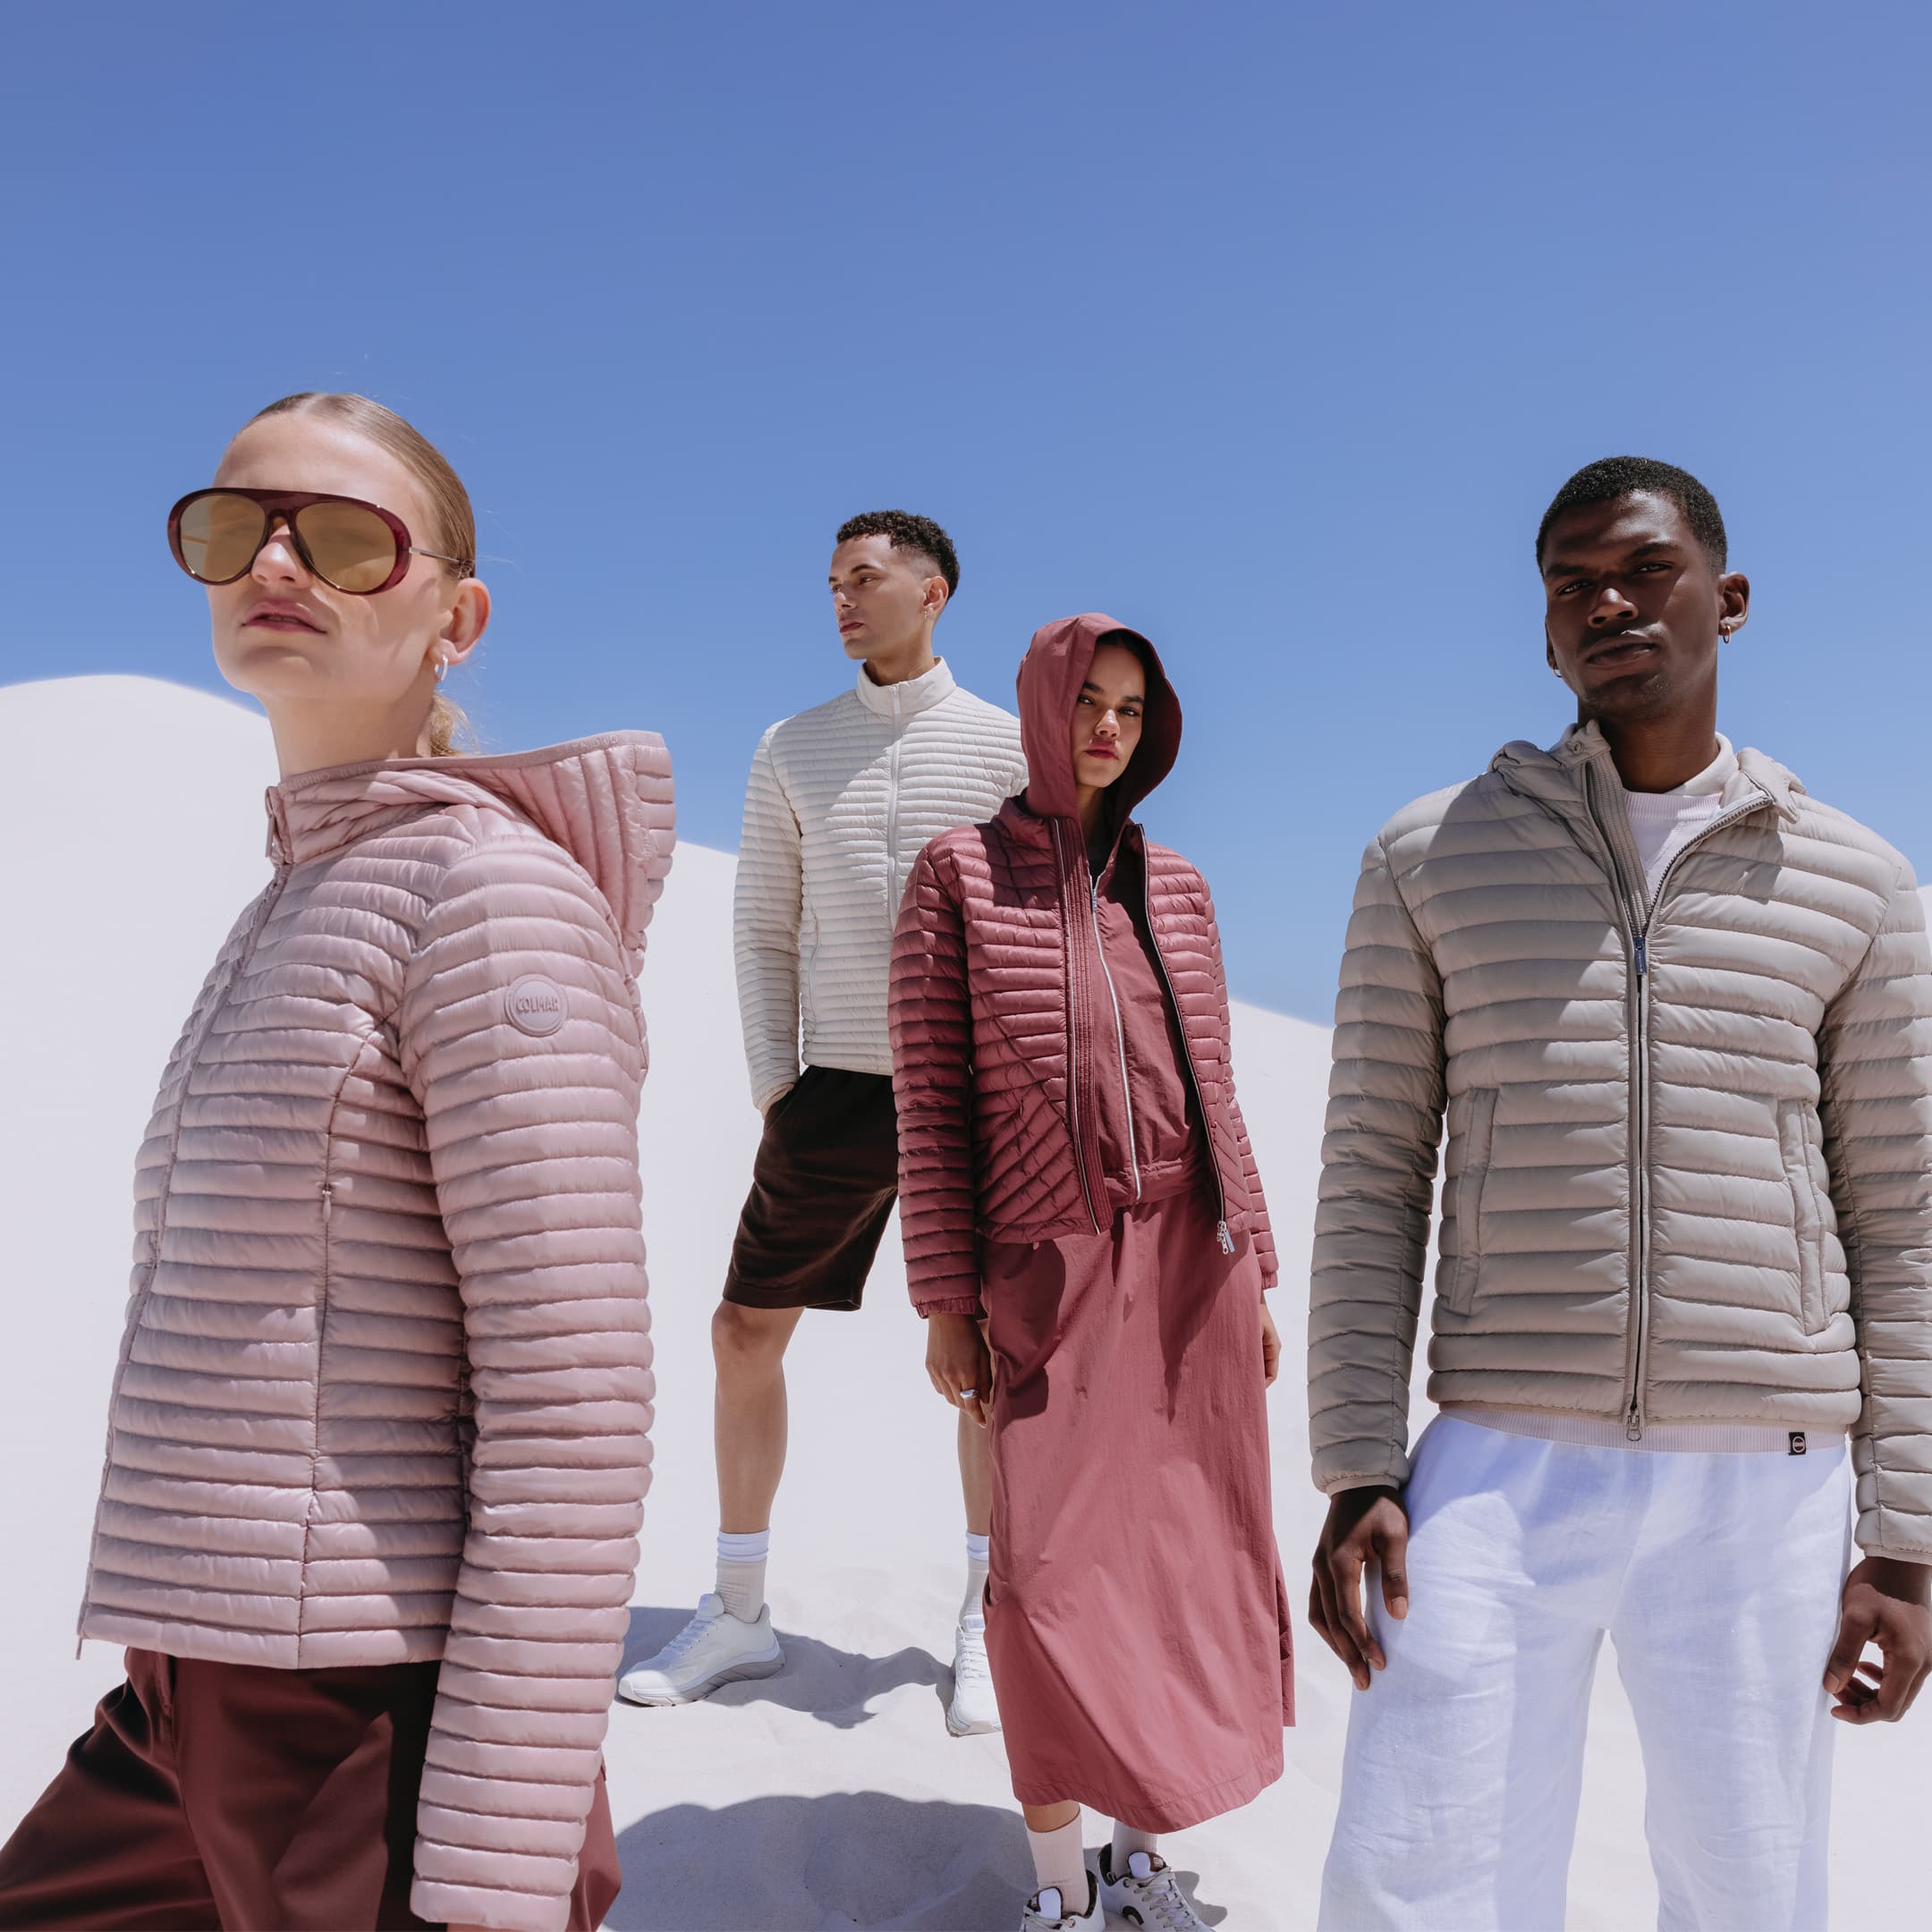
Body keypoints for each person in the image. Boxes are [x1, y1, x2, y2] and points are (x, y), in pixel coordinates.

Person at [0, 392, 673, 1932]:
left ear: (456, 613)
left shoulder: (490, 898)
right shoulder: (307, 894)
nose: (279, 561)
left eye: (351, 537)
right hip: (196, 1689)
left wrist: (493, 1867)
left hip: (365, 1725)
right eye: (235, 526)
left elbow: (572, 1407)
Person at [1309, 455, 1932, 1929]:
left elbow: (1905, 1220)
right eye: (1571, 582)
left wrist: (1906, 1537)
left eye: (1643, 569)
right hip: (1496, 1465)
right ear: (1542, 632)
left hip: (1762, 1482)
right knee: (1418, 1870)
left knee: (1748, 1888)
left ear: (1727, 596)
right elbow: (1373, 1176)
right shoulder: (1430, 854)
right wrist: (1355, 1469)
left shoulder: (1854, 881)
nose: (1607, 601)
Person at [890, 614, 1292, 1932]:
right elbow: (931, 1107)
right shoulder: (957, 876)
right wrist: (947, 1296)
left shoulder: (1175, 883)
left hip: (1194, 1263)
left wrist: (1261, 1266)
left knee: (1183, 1563)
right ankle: (1056, 1889)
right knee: (1048, 1576)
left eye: (1128, 707)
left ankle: (1135, 1856)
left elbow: (1214, 1084)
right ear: (1040, 709)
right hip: (1047, 1270)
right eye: (1086, 702)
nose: (1107, 728)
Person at [619, 512, 1025, 1732]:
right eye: (833, 584)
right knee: (746, 1331)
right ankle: (741, 1612)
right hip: (832, 1091)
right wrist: (776, 1086)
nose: (843, 601)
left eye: (866, 578)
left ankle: (989, 1622)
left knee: (992, 1364)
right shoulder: (792, 747)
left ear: (934, 590)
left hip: (977, 1098)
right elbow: (761, 926)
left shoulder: (1008, 749)